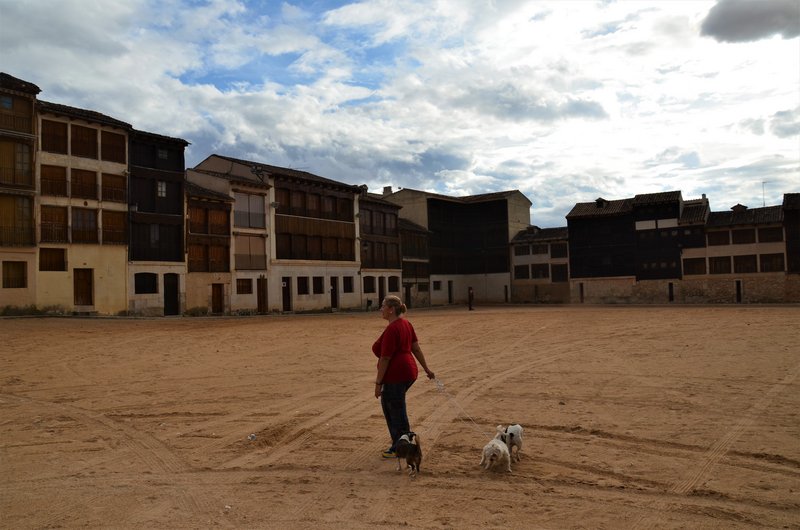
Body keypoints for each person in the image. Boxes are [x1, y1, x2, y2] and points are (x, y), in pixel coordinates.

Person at [372, 295, 435, 458]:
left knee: (394, 409)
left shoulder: (393, 328)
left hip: (396, 374)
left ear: (391, 309)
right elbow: (416, 348)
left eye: (383, 306)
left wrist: (378, 383)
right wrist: (426, 369)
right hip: (409, 371)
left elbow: (385, 358)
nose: (381, 309)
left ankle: (400, 446)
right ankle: (404, 441)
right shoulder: (406, 324)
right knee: (396, 405)